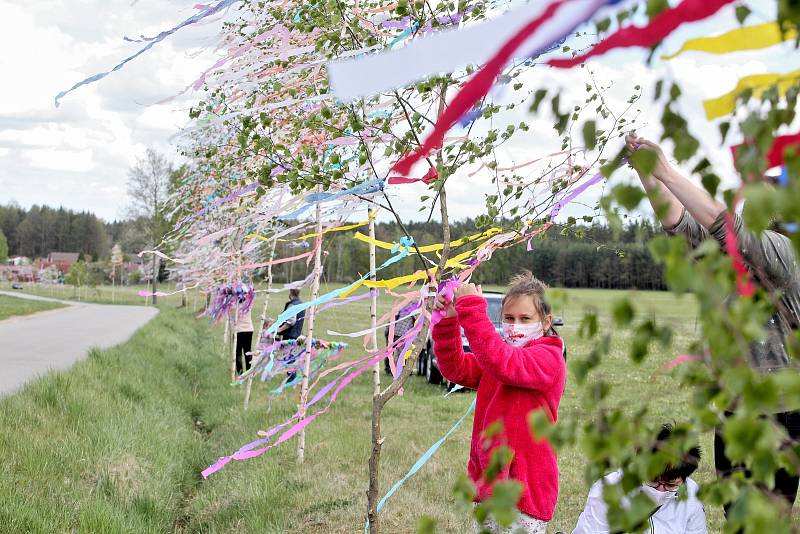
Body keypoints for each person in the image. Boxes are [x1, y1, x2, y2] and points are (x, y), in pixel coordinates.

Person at [626, 133, 800, 510]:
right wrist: (648, 176)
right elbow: (680, 223)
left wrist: (667, 171)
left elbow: (726, 227)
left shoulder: (782, 253)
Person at [432, 271, 566, 533]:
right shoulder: (502, 357)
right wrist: (448, 322)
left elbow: (501, 362)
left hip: (525, 494)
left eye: (525, 318)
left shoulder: (548, 359)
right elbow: (455, 368)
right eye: (509, 318)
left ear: (546, 321)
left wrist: (471, 308)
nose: (515, 326)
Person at [572, 424, 707, 533]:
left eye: (670, 485)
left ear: (684, 480)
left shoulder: (691, 494)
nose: (660, 490)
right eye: (653, 481)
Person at [234, 298, 254, 375]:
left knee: (238, 352)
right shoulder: (249, 305)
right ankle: (249, 372)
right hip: (249, 330)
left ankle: (240, 373)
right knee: (248, 351)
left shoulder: (234, 307)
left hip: (238, 330)